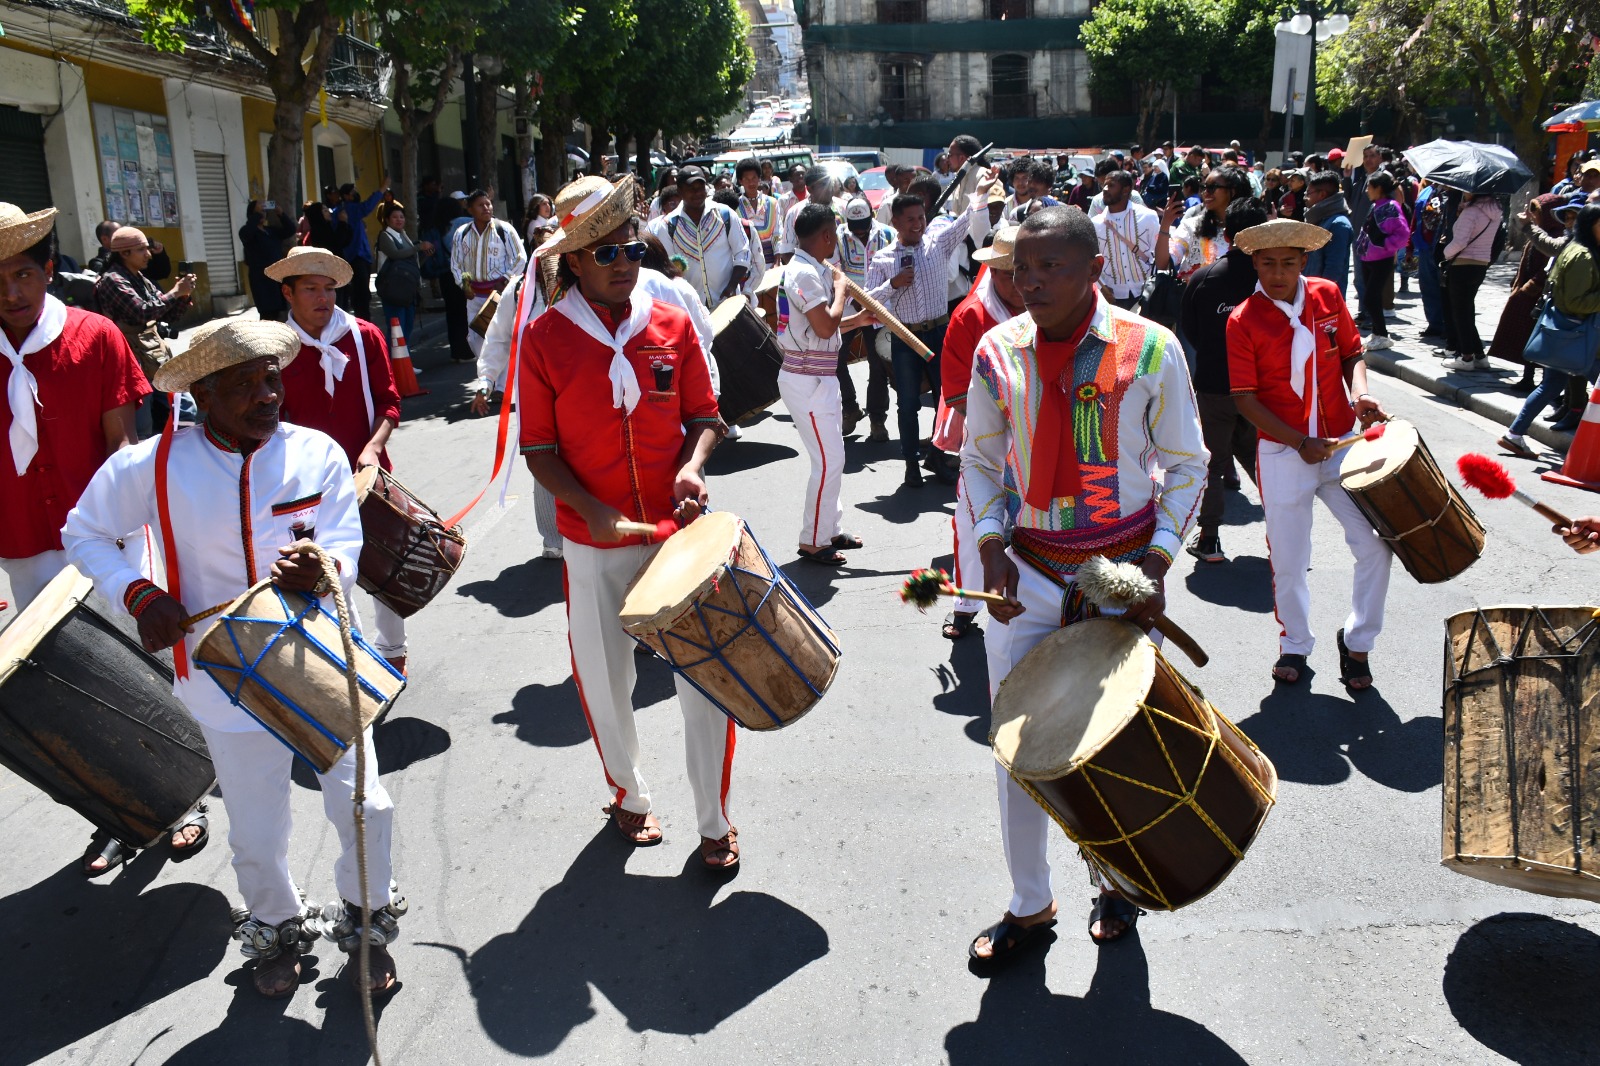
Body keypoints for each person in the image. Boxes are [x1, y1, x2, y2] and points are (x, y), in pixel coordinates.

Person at [63, 318, 405, 999]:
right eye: (242, 384)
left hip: (318, 658)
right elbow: (85, 531)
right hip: (221, 676)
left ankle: (367, 921)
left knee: (369, 802)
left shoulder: (318, 454)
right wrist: (138, 593)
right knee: (256, 825)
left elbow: (343, 539)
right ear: (203, 396)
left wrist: (324, 566)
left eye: (270, 377)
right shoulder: (152, 466)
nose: (266, 394)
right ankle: (277, 928)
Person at [962, 207, 1207, 961]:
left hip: (1121, 579)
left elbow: (1188, 465)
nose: (1030, 282)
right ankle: (1030, 902)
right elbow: (978, 460)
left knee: (1115, 745)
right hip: (1028, 576)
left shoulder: (1154, 348)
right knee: (1018, 742)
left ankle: (1116, 883)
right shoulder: (995, 350)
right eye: (1020, 269)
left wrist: (1159, 563)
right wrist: (991, 543)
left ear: (1095, 269)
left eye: (1050, 268)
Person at [516, 174, 739, 869]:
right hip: (593, 543)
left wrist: (693, 465)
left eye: (632, 251)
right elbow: (539, 452)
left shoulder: (672, 322)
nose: (624, 264)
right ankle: (630, 796)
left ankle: (716, 820)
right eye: (607, 254)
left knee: (707, 680)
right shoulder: (544, 339)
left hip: (678, 539)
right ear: (573, 261)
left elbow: (707, 417)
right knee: (606, 679)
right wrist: (590, 509)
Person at [0, 203, 209, 876]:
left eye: (24, 275)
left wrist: (128, 532)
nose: (11, 293)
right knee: (68, 688)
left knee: (139, 665)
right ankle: (115, 813)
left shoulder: (93, 336)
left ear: (49, 271)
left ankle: (186, 795)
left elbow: (124, 444)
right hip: (24, 542)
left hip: (102, 534)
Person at [1227, 219, 1393, 688]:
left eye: (1288, 263)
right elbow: (1245, 399)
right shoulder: (1242, 320)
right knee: (1289, 558)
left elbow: (1351, 354)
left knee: (1376, 544)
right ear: (1254, 263)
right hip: (1283, 453)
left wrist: (1359, 395)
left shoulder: (1327, 294)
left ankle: (1358, 641)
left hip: (1342, 446)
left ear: (1304, 261)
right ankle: (1295, 644)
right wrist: (1299, 442)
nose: (1277, 273)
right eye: (1267, 263)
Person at [266, 246, 407, 674]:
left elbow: (390, 403)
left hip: (366, 476)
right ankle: (340, 663)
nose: (323, 297)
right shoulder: (275, 348)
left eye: (329, 288)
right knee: (322, 576)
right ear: (288, 293)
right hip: (302, 488)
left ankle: (394, 654)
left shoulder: (364, 336)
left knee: (386, 573)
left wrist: (372, 447)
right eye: (310, 288)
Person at [865, 167, 999, 486]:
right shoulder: (883, 259)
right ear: (895, 222)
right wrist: (893, 284)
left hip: (941, 333)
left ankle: (939, 457)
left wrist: (980, 191)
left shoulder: (938, 243)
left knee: (948, 398)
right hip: (906, 337)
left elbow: (966, 218)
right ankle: (911, 463)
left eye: (921, 217)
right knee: (908, 403)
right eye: (910, 219)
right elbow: (867, 301)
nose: (918, 223)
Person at [775, 202, 875, 566]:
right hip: (806, 379)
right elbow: (823, 327)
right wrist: (843, 291)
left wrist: (856, 319)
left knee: (834, 458)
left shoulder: (808, 269)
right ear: (827, 235)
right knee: (829, 460)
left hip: (818, 375)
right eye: (834, 232)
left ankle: (829, 529)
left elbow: (817, 327)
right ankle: (813, 540)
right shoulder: (803, 272)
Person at [939, 223, 1023, 640]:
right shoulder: (970, 316)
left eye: (1025, 269)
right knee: (973, 519)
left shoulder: (1056, 305)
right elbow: (956, 392)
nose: (1020, 281)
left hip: (1041, 437)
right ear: (993, 272)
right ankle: (967, 604)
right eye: (1009, 272)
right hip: (988, 439)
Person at [1180, 198, 1270, 564]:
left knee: (1213, 464)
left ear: (1227, 234)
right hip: (1262, 389)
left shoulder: (1205, 278)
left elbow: (1190, 331)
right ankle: (1286, 533)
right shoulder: (1274, 280)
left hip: (1215, 384)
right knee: (1262, 459)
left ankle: (1210, 540)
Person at [1499, 205, 1600, 460]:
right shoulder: (1583, 255)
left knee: (1550, 385)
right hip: (1579, 336)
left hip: (1568, 336)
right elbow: (1575, 302)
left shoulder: (1579, 249)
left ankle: (1514, 435)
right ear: (1591, 225)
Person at [93, 226, 196, 437]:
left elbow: (165, 315)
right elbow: (141, 312)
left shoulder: (141, 279)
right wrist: (174, 293)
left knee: (184, 408)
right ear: (124, 253)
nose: (148, 255)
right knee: (142, 424)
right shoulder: (113, 280)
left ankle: (183, 450)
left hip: (153, 355)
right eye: (142, 250)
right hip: (130, 360)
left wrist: (182, 297)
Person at [1491, 195, 1575, 393]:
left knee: (1541, 341)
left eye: (1537, 212)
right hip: (1526, 294)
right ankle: (1527, 377)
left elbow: (1547, 268)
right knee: (1526, 338)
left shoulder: (1555, 236)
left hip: (1537, 295)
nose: (1534, 216)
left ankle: (1549, 386)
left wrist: (1531, 287)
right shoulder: (1541, 232)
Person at [835, 197, 895, 441]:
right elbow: (835, 272)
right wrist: (856, 301)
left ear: (872, 215)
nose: (859, 231)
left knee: (878, 363)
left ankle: (877, 419)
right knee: (834, 358)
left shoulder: (888, 234)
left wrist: (876, 301)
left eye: (863, 225)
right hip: (849, 309)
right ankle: (850, 407)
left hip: (881, 309)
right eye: (854, 226)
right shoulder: (838, 236)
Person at [654, 166, 750, 309]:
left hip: (728, 306)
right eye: (691, 188)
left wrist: (731, 286)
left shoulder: (725, 214)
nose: (697, 192)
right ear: (680, 191)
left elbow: (743, 252)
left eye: (701, 187)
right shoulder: (667, 226)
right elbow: (668, 270)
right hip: (692, 310)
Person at [450, 189, 527, 361]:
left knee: (501, 335)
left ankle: (502, 380)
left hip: (498, 294)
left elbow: (520, 258)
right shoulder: (461, 233)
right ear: (470, 209)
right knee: (475, 337)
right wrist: (464, 285)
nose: (486, 208)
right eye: (480, 205)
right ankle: (486, 374)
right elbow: (457, 264)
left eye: (488, 204)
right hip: (474, 296)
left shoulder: (504, 229)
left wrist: (505, 280)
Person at [1439, 190, 1504, 372]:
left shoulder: (1472, 212)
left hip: (1462, 264)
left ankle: (1466, 357)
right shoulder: (1494, 211)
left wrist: (1445, 253)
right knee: (1467, 310)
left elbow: (1459, 242)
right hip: (1480, 264)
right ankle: (1479, 355)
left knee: (1460, 313)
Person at [1352, 171, 1409, 352]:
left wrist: (1385, 245)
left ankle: (1383, 335)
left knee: (1371, 297)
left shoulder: (1390, 207)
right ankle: (1377, 333)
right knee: (1370, 298)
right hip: (1368, 258)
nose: (1367, 190)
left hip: (1381, 259)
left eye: (1369, 187)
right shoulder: (1377, 205)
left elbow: (1402, 234)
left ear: (1379, 188)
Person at [1091, 169, 1158, 309]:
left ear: (1126, 190)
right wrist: (1101, 287)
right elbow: (1091, 259)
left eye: (1111, 185)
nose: (1104, 189)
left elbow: (1158, 254)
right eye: (1104, 185)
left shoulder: (1148, 217)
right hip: (1112, 298)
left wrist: (1155, 286)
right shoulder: (1096, 223)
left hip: (1146, 294)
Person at [374, 203, 432, 347]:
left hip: (408, 289)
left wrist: (425, 254)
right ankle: (392, 365)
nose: (399, 220)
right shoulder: (385, 236)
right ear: (387, 220)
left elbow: (411, 263)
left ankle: (404, 363)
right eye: (394, 217)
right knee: (396, 329)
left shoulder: (404, 236)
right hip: (393, 289)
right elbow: (395, 254)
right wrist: (418, 247)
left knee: (407, 327)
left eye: (401, 217)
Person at [332, 184, 388, 321]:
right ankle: (363, 321)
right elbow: (367, 206)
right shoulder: (349, 209)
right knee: (361, 293)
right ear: (346, 196)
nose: (356, 193)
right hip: (356, 255)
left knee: (360, 293)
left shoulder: (341, 211)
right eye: (353, 192)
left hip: (359, 255)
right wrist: (381, 189)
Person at [434, 195, 475, 362]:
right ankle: (467, 350)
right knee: (466, 312)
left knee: (452, 314)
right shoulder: (463, 222)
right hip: (464, 273)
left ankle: (456, 351)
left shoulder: (437, 227)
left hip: (445, 274)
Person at [239, 201, 295, 322]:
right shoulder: (247, 232)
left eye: (264, 211)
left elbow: (290, 230)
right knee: (267, 313)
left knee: (279, 312)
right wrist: (257, 214)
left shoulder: (271, 231)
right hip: (261, 279)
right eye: (259, 212)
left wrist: (281, 214)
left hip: (276, 277)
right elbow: (248, 233)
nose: (262, 214)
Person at [1346, 143, 1384, 314]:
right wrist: (1347, 178)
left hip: (1372, 237)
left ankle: (1370, 314)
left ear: (1380, 158)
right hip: (1358, 234)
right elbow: (1350, 201)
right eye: (1366, 156)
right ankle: (1364, 311)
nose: (1368, 159)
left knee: (1368, 278)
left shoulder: (1382, 179)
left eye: (1372, 155)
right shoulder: (1362, 179)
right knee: (1359, 278)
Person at [1411, 180, 1451, 341]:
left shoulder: (1452, 194)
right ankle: (1434, 324)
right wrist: (1410, 246)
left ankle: (1447, 325)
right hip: (1424, 247)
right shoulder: (1427, 191)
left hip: (1443, 247)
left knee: (1444, 288)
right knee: (1427, 286)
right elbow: (1416, 217)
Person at [1303, 171, 1353, 296]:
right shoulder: (1318, 219)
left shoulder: (1338, 224)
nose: (1305, 197)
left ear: (1322, 194)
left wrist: (1323, 295)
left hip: (1324, 296)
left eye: (1308, 193)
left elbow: (1333, 269)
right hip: (1311, 290)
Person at [777, 165, 840, 263]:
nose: (829, 188)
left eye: (830, 183)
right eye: (823, 184)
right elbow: (787, 252)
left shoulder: (844, 209)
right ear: (810, 189)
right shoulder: (795, 213)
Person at [87, 219, 172, 282]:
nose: (125, 236)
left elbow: (162, 273)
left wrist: (159, 254)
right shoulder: (98, 264)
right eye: (119, 234)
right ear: (105, 239)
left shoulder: (135, 258)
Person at [736, 157, 781, 261]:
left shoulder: (772, 203)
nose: (751, 183)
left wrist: (777, 262)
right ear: (740, 181)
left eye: (754, 178)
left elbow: (778, 233)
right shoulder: (735, 206)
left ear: (759, 178)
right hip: (747, 264)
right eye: (746, 179)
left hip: (772, 262)